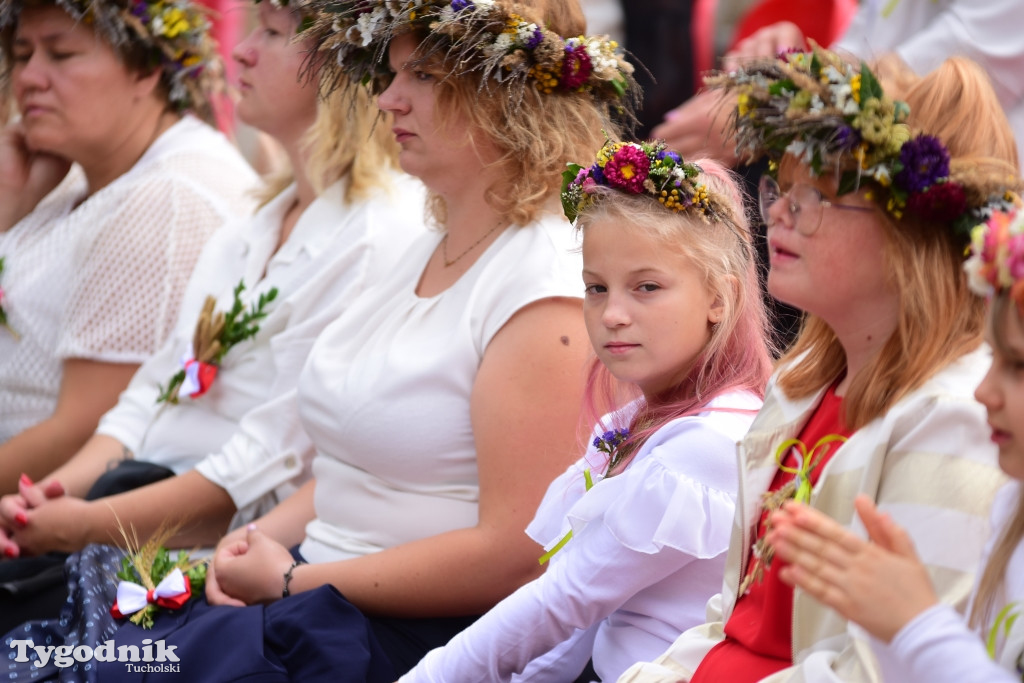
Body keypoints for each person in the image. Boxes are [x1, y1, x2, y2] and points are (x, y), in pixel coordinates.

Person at [7, 1, 636, 680]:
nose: (387, 97)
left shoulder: (541, 282)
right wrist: (256, 544)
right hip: (312, 584)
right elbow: (339, 462)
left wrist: (291, 580)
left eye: (420, 76)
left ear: (504, 95)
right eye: (390, 73)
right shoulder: (432, 246)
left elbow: (518, 552)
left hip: (403, 633)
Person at [0, 0, 425, 631]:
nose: (242, 52)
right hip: (137, 515)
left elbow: (275, 454)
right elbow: (152, 389)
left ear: (343, 67)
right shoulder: (262, 216)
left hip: (220, 555)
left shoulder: (372, 233)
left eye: (274, 34)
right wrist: (57, 494)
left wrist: (82, 521)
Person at [617, 48, 1019, 682]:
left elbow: (882, 670)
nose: (776, 210)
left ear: (907, 232)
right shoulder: (805, 381)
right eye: (782, 185)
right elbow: (732, 617)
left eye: (815, 196)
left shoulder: (956, 417)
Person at [398, 139, 773, 683]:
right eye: (595, 288)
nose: (612, 314)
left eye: (647, 287)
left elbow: (565, 601)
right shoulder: (632, 422)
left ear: (720, 298)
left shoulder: (711, 442)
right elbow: (573, 621)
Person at [0, 0, 258, 491]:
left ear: (145, 70)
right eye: (22, 53)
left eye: (61, 54)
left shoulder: (164, 202)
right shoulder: (73, 177)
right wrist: (9, 210)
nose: (29, 77)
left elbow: (82, 430)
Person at [766, 208, 1024, 682]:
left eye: (1018, 366)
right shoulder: (1013, 506)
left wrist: (917, 625)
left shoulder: (950, 420)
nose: (985, 391)